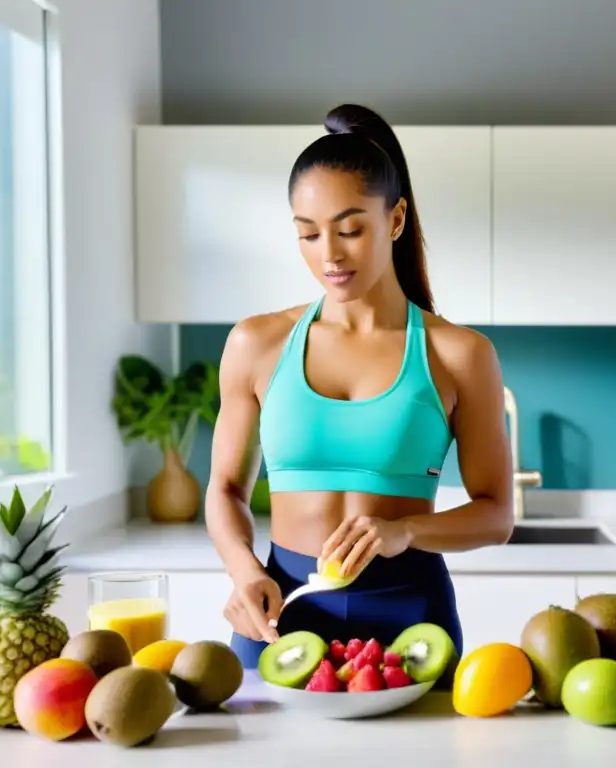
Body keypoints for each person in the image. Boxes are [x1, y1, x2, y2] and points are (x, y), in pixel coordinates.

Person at [205, 103, 515, 671]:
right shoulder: (256, 344)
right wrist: (245, 573)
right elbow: (225, 490)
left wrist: (405, 530)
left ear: (394, 220)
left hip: (411, 611)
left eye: (350, 229)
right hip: (282, 608)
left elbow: (496, 515)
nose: (330, 255)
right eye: (308, 234)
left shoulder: (459, 354)